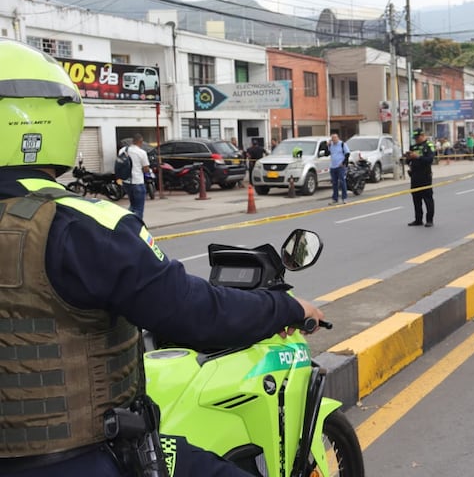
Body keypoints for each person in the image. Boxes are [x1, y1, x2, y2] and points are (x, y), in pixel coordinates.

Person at [0, 39, 324, 477]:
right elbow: (189, 310)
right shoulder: (80, 226)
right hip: (80, 458)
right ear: (51, 116)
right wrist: (285, 306)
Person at [405, 128, 435, 227]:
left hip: (425, 176)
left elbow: (430, 160)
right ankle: (418, 219)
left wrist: (418, 157)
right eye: (415, 138)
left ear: (423, 136)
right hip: (415, 176)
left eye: (418, 137)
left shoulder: (429, 145)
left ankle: (429, 220)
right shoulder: (413, 146)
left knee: (428, 199)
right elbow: (408, 161)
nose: (416, 140)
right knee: (416, 199)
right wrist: (408, 158)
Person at [121, 133, 150, 220]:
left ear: (132, 141)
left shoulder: (123, 150)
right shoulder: (142, 152)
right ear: (140, 141)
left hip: (126, 182)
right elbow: (146, 169)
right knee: (138, 208)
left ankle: (128, 223)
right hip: (137, 182)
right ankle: (137, 227)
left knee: (132, 205)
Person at [328, 132, 350, 205]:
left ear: (338, 138)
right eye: (332, 138)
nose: (334, 140)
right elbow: (326, 153)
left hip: (340, 166)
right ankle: (335, 198)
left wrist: (343, 163)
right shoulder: (331, 145)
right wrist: (327, 145)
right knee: (334, 183)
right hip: (333, 166)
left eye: (335, 138)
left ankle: (344, 198)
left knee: (342, 181)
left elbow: (347, 154)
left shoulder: (342, 144)